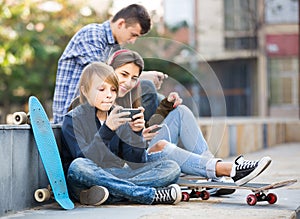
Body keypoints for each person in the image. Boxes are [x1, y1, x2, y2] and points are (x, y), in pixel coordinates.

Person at [105, 49, 272, 187]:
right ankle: (229, 169)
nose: (128, 82)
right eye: (123, 75)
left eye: (134, 78)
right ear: (108, 71)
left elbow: (144, 131)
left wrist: (166, 106)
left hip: (138, 153)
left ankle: (214, 172)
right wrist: (135, 137)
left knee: (181, 111)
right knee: (162, 145)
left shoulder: (131, 96)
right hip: (128, 168)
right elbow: (108, 154)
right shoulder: (101, 101)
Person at [61, 62, 182, 206]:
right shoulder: (72, 119)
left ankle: (108, 194)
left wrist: (137, 134)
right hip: (86, 178)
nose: (108, 95)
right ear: (86, 91)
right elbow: (84, 159)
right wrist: (107, 129)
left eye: (113, 90)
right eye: (101, 89)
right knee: (78, 165)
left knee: (171, 167)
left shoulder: (119, 114)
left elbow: (136, 163)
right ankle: (148, 195)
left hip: (115, 175)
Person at [53, 3, 166, 124]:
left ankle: (147, 134)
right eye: (133, 35)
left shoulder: (113, 47)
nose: (133, 41)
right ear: (121, 23)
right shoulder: (93, 34)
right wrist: (141, 76)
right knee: (147, 85)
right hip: (72, 116)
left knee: (161, 100)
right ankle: (142, 138)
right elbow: (100, 76)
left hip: (98, 109)